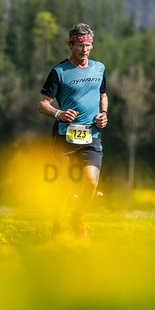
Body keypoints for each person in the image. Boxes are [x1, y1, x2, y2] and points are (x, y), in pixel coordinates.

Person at [38, 23, 109, 238]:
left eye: (88, 45)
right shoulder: (58, 71)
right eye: (79, 45)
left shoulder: (99, 68)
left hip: (91, 135)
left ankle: (76, 215)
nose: (84, 50)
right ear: (70, 45)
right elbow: (43, 104)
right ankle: (56, 225)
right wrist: (59, 113)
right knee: (64, 185)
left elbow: (103, 95)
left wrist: (103, 113)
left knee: (91, 181)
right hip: (65, 136)